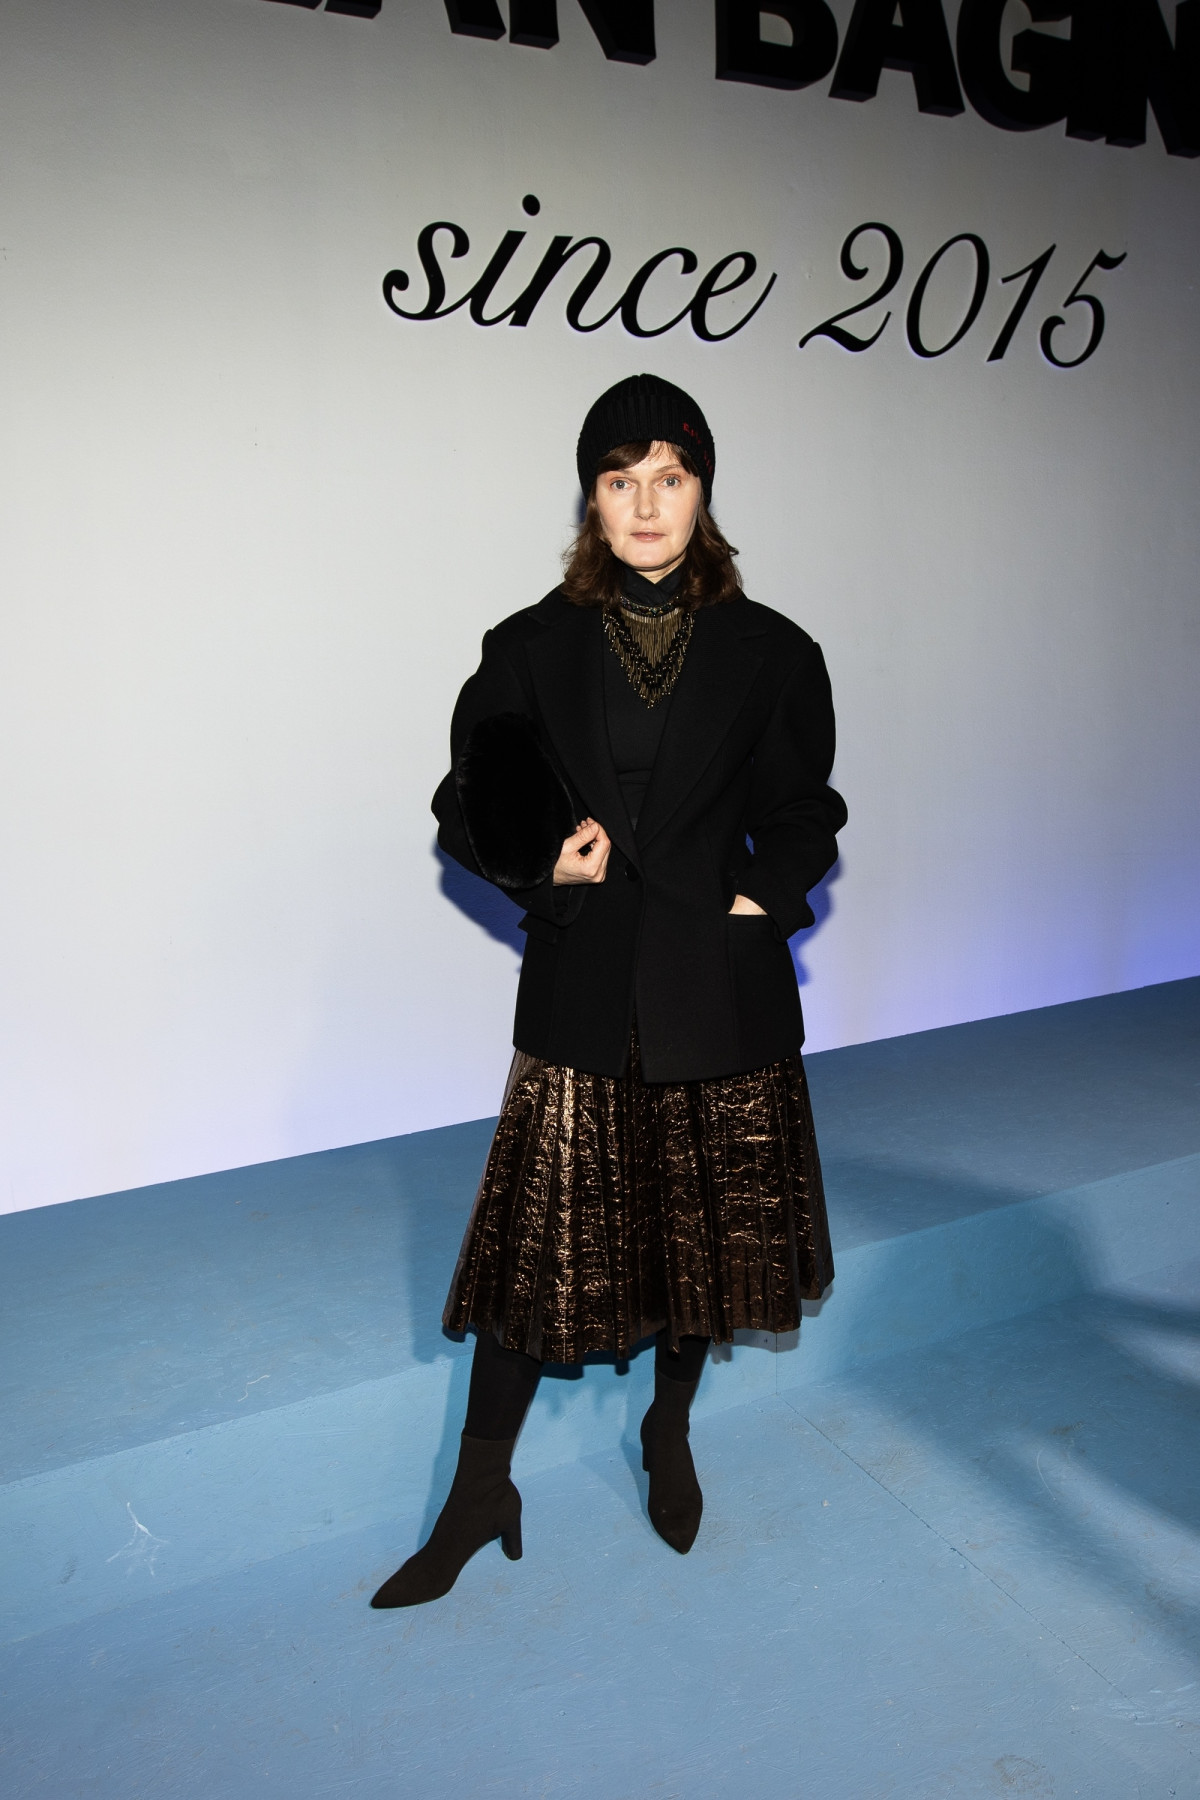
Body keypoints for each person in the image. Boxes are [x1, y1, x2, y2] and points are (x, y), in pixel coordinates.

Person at [370, 373, 846, 1609]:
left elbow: (807, 811)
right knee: (537, 1259)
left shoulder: (776, 652)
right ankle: (480, 1491)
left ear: (703, 490)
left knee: (702, 1245)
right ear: (591, 497)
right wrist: (548, 869)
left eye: (669, 479)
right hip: (586, 990)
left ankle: (666, 1431)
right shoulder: (528, 647)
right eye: (620, 480)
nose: (645, 504)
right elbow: (468, 802)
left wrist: (760, 897)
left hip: (717, 993)